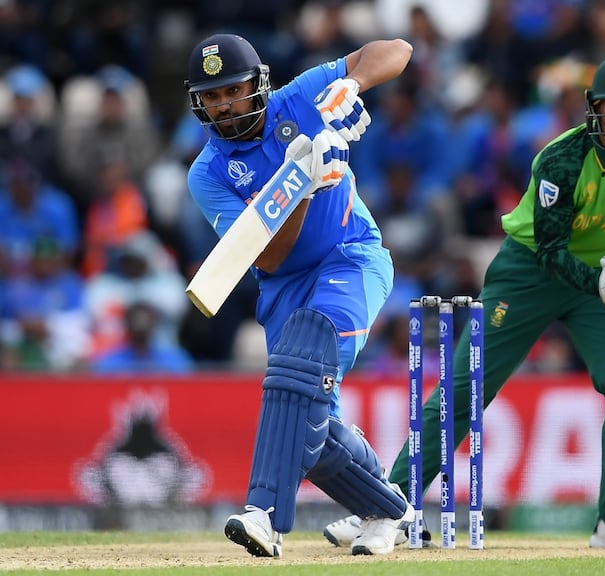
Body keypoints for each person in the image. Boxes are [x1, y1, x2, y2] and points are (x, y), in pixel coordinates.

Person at [325, 54, 605, 549]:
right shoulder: (562, 160)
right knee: (467, 386)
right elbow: (550, 252)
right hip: (529, 272)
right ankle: (389, 503)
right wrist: (603, 285)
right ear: (594, 109)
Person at [184, 33, 414, 557]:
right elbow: (266, 258)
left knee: (302, 358)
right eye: (212, 96)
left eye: (233, 90)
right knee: (309, 428)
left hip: (350, 257)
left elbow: (397, 49)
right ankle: (389, 509)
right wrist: (305, 182)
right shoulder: (208, 173)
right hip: (283, 284)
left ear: (257, 85)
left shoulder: (300, 97)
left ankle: (263, 513)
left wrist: (352, 84)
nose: (224, 105)